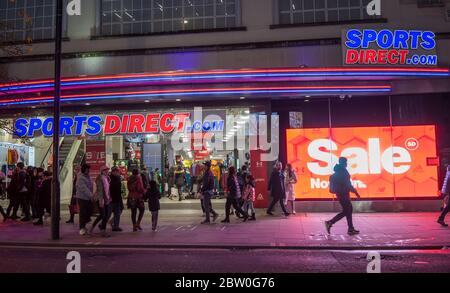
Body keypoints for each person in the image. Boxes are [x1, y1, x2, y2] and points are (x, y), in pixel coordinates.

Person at [325, 157, 361, 235]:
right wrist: (356, 192)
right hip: (344, 194)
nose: (346, 163)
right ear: (344, 163)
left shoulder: (337, 171)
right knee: (346, 211)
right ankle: (330, 222)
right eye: (346, 162)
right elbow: (348, 185)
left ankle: (351, 228)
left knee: (349, 210)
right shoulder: (344, 172)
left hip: (340, 194)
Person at [90, 166, 112, 237]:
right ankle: (94, 228)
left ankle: (102, 230)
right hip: (101, 199)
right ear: (102, 171)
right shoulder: (100, 179)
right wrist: (101, 200)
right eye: (105, 170)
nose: (107, 171)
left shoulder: (107, 178)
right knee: (103, 215)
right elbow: (100, 191)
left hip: (106, 199)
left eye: (107, 170)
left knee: (106, 215)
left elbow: (107, 189)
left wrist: (109, 197)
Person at [75, 164, 94, 236]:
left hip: (88, 198)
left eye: (89, 169)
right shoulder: (80, 178)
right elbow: (84, 189)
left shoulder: (88, 176)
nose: (88, 170)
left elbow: (90, 186)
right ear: (83, 169)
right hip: (82, 198)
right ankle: (81, 228)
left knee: (89, 211)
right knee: (83, 213)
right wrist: (91, 195)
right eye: (87, 169)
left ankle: (84, 224)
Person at [109, 166, 124, 232]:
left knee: (117, 212)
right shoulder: (110, 179)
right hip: (112, 198)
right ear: (114, 172)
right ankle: (104, 224)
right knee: (109, 213)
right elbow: (112, 188)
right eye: (117, 172)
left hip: (117, 198)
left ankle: (115, 226)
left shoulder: (117, 178)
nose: (118, 173)